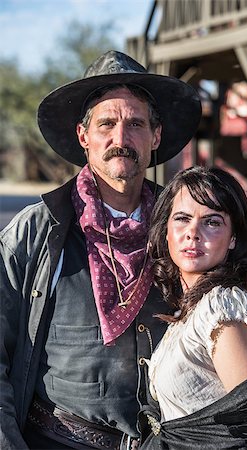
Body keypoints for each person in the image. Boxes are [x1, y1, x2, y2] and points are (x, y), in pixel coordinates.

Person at [0, 51, 202, 450]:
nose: (120, 139)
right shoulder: (36, 230)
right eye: (106, 123)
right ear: (83, 136)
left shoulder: (184, 228)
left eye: (136, 124)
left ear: (155, 137)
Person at [139, 166, 247, 449]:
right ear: (166, 231)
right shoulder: (190, 310)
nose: (193, 233)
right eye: (182, 219)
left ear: (233, 237)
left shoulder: (222, 310)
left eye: (211, 222)